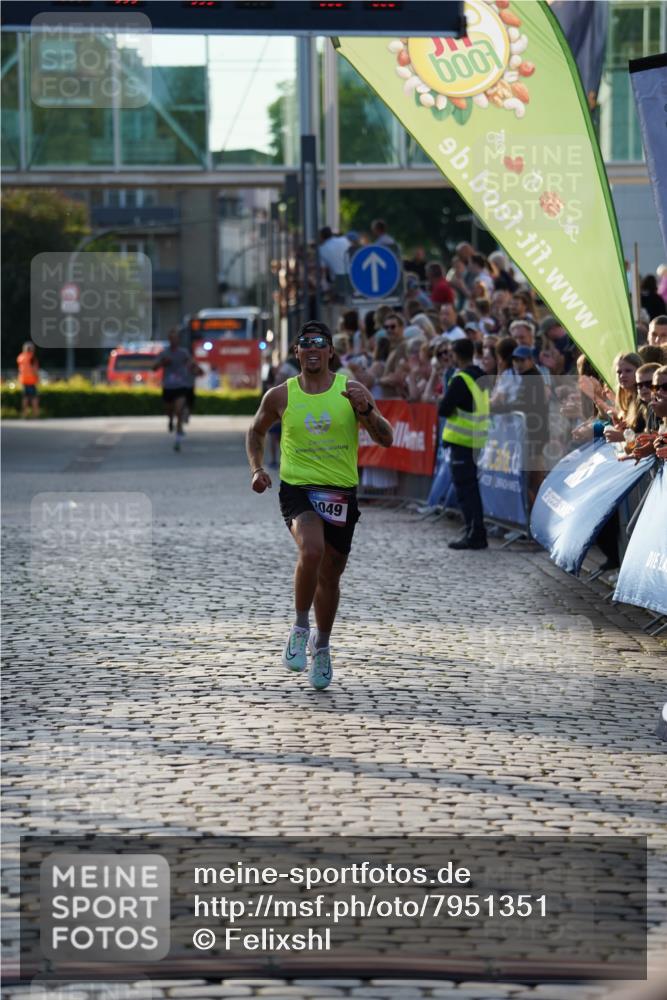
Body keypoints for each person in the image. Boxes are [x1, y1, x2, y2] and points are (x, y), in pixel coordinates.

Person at [245, 320, 393, 690]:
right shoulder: (281, 395)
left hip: (341, 492)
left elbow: (386, 438)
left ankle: (322, 646)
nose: (312, 348)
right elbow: (256, 430)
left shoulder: (351, 391)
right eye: (305, 343)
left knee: (331, 576)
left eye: (319, 343)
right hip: (299, 490)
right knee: (311, 550)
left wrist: (368, 412)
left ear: (330, 351)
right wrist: (258, 468)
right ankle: (299, 626)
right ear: (297, 352)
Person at [439, 337, 490, 550]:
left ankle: (475, 533)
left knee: (465, 491)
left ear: (456, 355)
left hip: (462, 441)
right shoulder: (481, 376)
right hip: (477, 439)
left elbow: (444, 409)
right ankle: (475, 531)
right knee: (471, 489)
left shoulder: (461, 379)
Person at [492, 345, 549, 505]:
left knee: (533, 476)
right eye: (515, 360)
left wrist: (499, 408)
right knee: (529, 476)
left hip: (534, 434)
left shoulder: (533, 377)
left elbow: (525, 405)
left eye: (522, 360)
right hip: (529, 433)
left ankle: (535, 512)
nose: (518, 363)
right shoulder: (527, 376)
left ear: (531, 360)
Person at [153, 328, 203, 451]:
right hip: (168, 386)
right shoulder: (164, 353)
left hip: (181, 385)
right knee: (170, 409)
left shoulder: (183, 353)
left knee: (179, 409)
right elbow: (154, 367)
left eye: (176, 338)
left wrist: (196, 369)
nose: (174, 340)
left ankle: (178, 435)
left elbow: (191, 363)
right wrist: (163, 363)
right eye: (172, 338)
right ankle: (170, 419)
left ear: (178, 340)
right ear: (169, 340)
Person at [16, 341, 40, 418]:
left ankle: (24, 414)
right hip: (32, 381)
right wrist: (38, 378)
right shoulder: (32, 358)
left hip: (23, 380)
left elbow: (20, 370)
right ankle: (35, 415)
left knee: (25, 398)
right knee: (34, 398)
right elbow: (35, 370)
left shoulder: (20, 357)